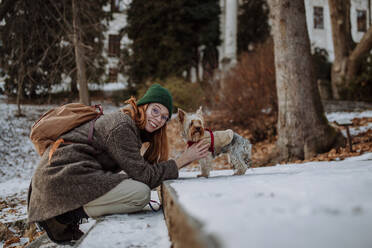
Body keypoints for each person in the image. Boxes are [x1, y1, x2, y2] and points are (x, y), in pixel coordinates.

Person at [27, 83, 210, 244]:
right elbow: (145, 176)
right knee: (139, 194)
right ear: (143, 106)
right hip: (60, 181)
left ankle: (70, 212)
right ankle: (65, 215)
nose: (158, 120)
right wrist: (183, 160)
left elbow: (140, 171)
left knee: (134, 187)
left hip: (68, 178)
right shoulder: (122, 126)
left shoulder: (130, 127)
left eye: (164, 117)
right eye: (155, 110)